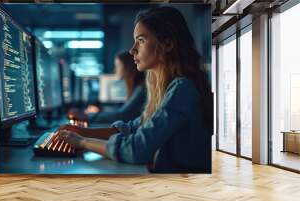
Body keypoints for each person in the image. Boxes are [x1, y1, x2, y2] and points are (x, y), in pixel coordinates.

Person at [55, 6, 213, 173]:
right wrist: (82, 131)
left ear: (167, 44)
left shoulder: (183, 89)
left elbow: (136, 150)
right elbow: (132, 127)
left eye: (141, 40)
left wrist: (82, 142)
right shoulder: (167, 88)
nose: (132, 50)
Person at [68, 51, 146, 124]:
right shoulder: (137, 88)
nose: (115, 70)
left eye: (118, 66)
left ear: (128, 67)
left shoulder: (141, 90)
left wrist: (87, 116)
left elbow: (122, 115)